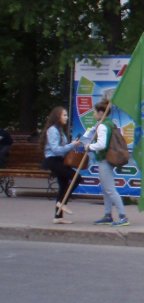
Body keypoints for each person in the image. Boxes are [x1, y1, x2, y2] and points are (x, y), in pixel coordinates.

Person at [82, 97, 129, 227]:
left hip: (104, 160)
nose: (93, 114)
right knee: (106, 189)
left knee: (110, 189)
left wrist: (89, 147)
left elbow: (102, 145)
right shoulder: (108, 123)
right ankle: (108, 215)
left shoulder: (103, 126)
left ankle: (123, 216)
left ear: (101, 113)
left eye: (95, 111)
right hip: (107, 160)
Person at [39, 105, 83, 223]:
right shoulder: (53, 130)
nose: (67, 117)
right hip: (53, 160)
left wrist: (73, 144)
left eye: (66, 115)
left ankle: (58, 217)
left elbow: (62, 149)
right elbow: (56, 149)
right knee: (76, 178)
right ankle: (62, 202)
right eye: (64, 115)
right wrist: (72, 145)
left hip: (59, 160)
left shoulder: (59, 130)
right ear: (57, 116)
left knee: (63, 186)